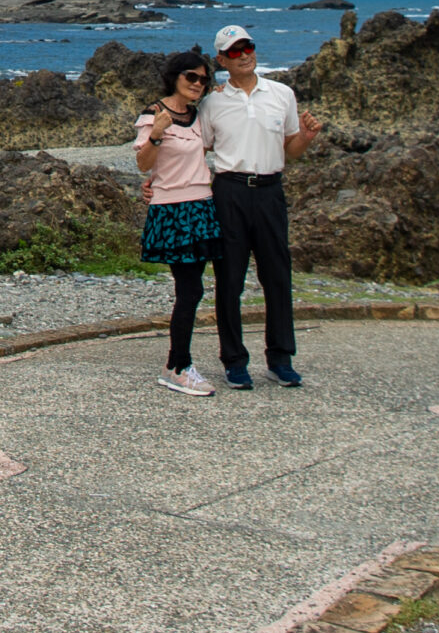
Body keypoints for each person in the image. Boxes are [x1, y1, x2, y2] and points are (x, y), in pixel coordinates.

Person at [199, 23, 322, 389]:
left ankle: (280, 358)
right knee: (229, 280)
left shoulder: (282, 94)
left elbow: (290, 150)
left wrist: (306, 137)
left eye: (248, 47)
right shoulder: (212, 101)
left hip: (270, 190)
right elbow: (199, 149)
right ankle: (234, 360)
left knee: (277, 276)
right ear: (221, 59)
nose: (244, 55)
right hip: (229, 191)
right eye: (234, 51)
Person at [134, 50, 223, 396]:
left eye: (203, 79)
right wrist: (156, 133)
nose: (198, 84)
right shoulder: (153, 114)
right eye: (191, 77)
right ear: (174, 77)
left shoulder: (198, 116)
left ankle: (178, 364)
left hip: (201, 207)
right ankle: (178, 367)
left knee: (194, 289)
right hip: (173, 211)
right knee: (190, 290)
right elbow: (143, 164)